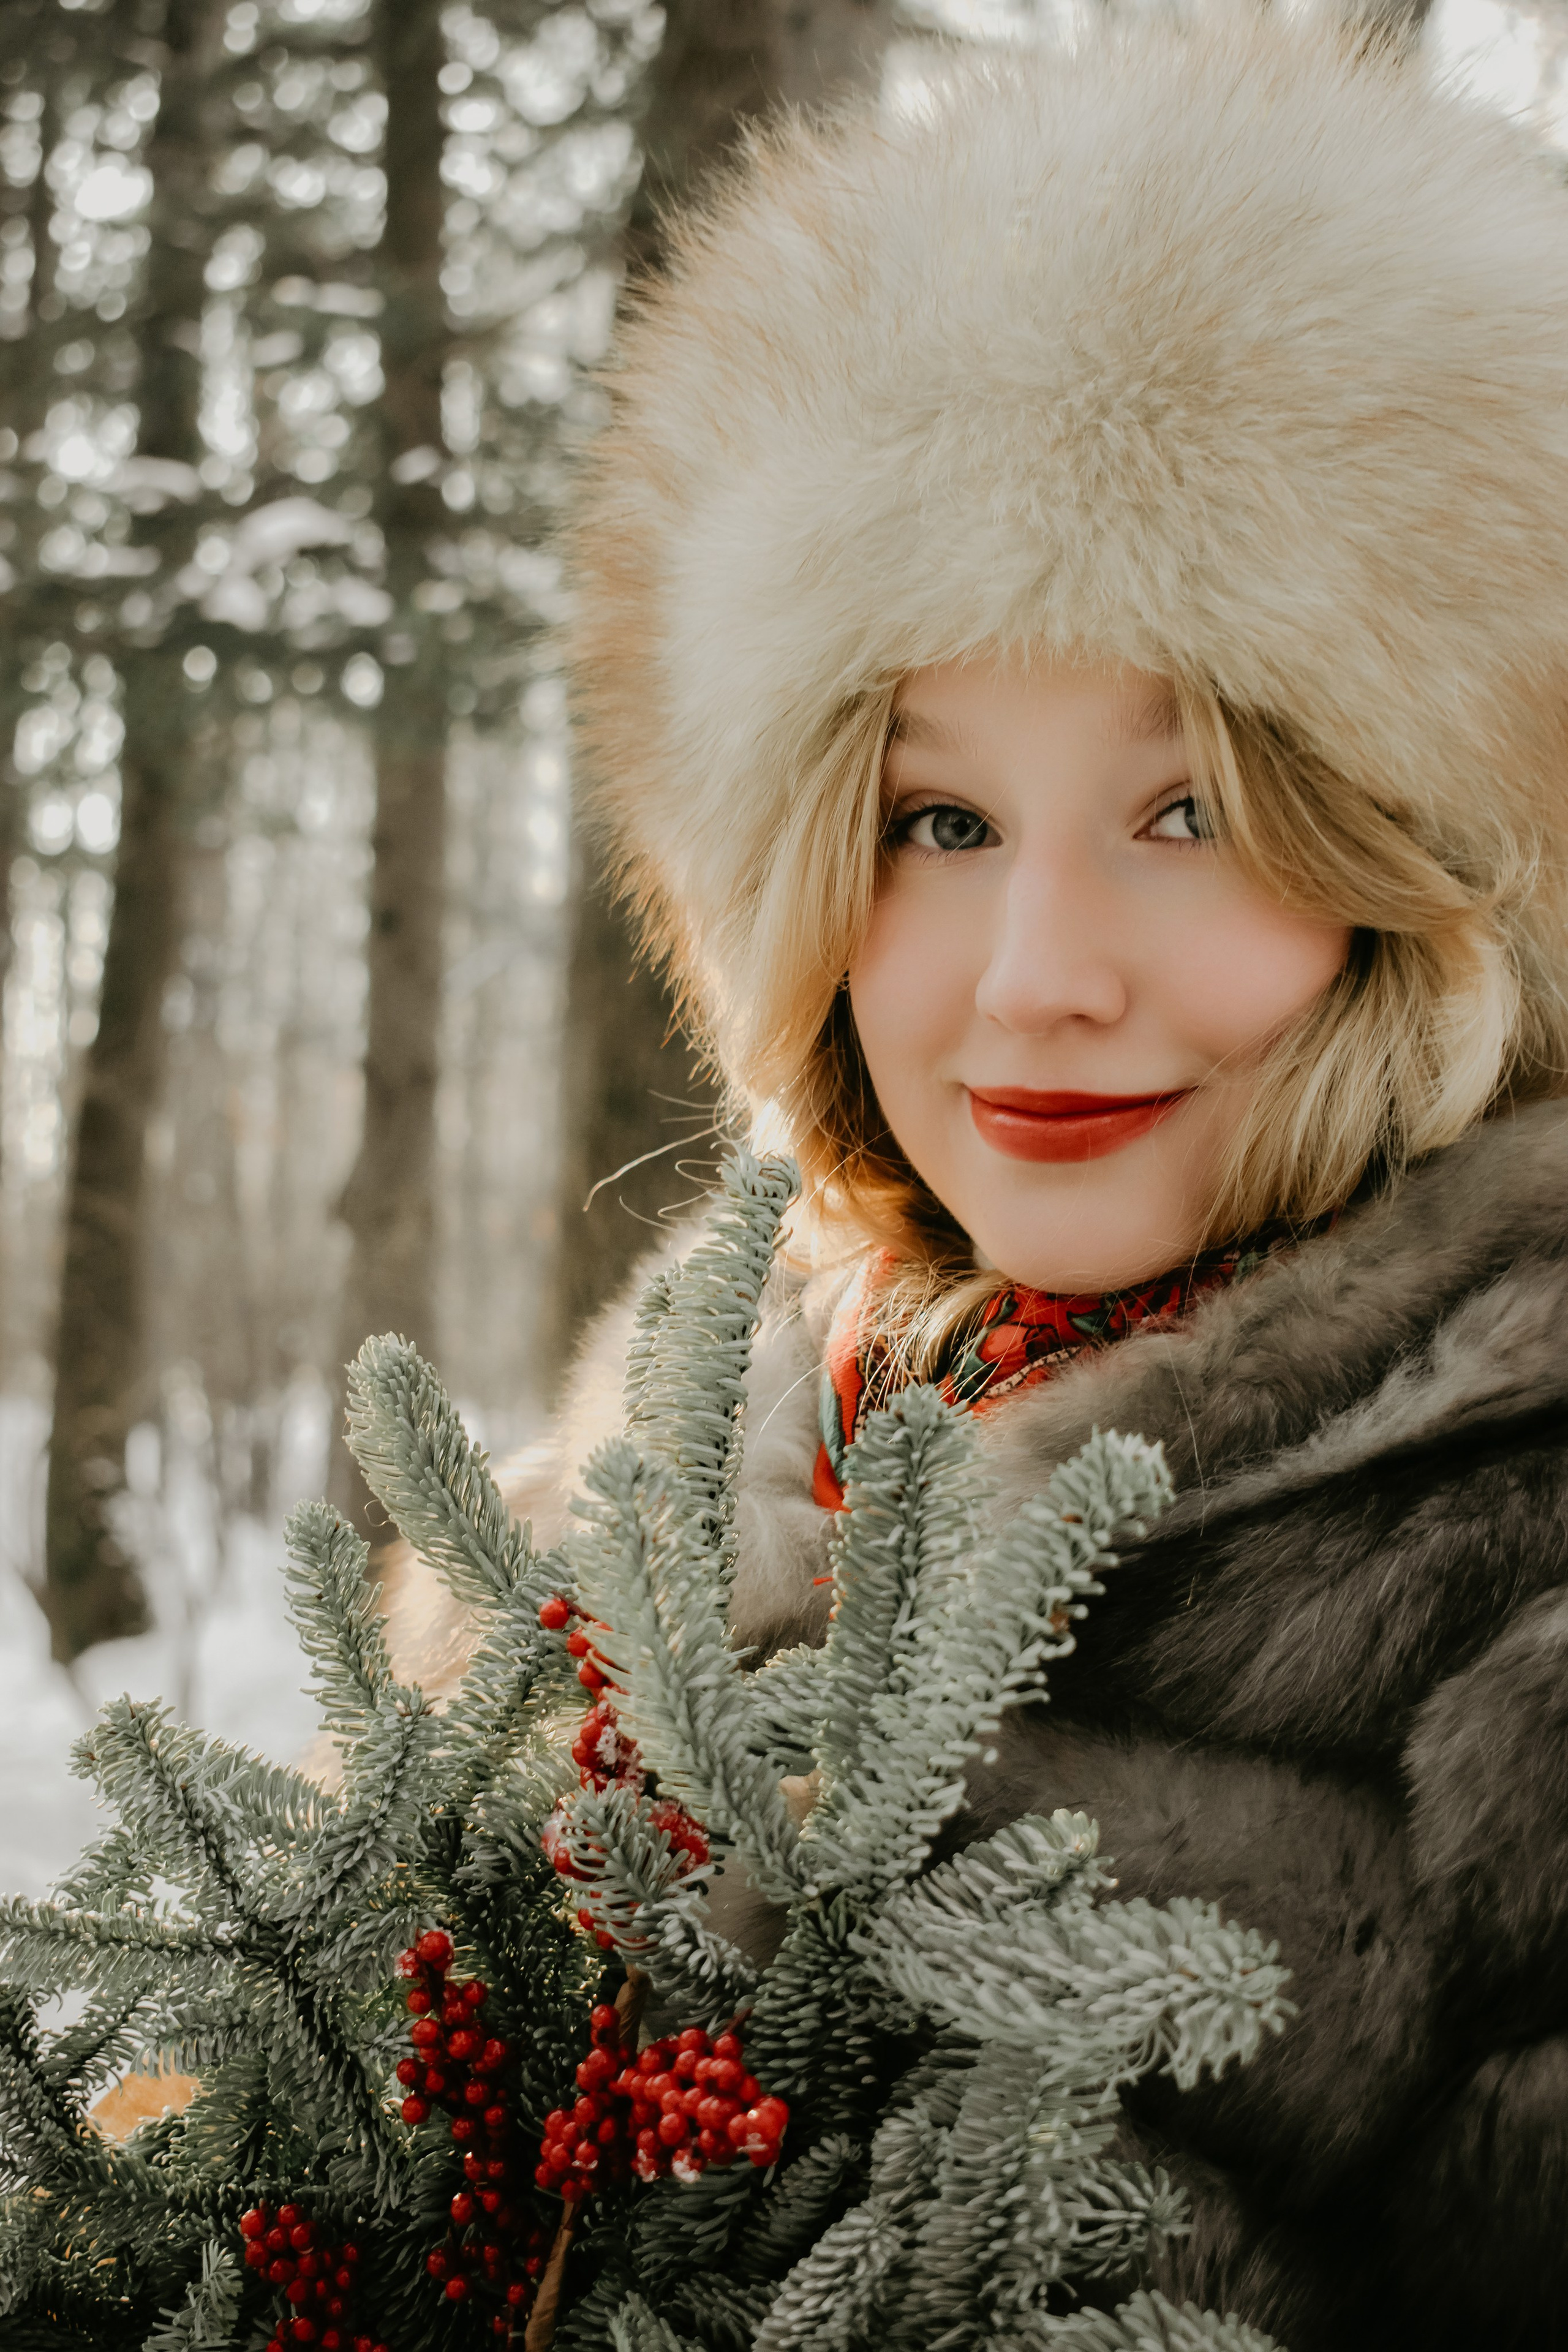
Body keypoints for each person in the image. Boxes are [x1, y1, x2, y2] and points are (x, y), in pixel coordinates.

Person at [547, 12, 1568, 2346]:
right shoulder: (660, 1473)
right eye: (937, 818)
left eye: (1188, 809)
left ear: (1438, 875)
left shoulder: (1525, 1584)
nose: (1031, 984)